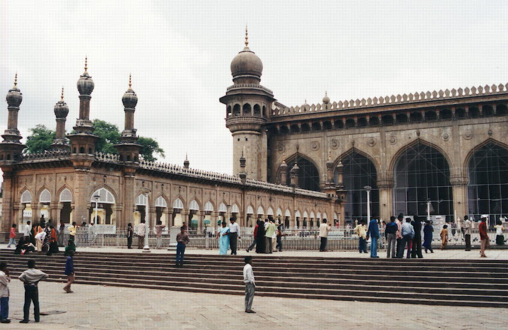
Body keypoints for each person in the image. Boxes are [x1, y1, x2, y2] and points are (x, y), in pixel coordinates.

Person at [18, 259, 48, 323]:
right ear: (34, 265)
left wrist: (25, 281)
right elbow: (46, 275)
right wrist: (38, 280)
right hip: (35, 286)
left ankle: (26, 318)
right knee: (36, 303)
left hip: (28, 287)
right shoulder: (38, 271)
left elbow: (20, 277)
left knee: (27, 303)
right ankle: (37, 318)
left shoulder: (26, 272)